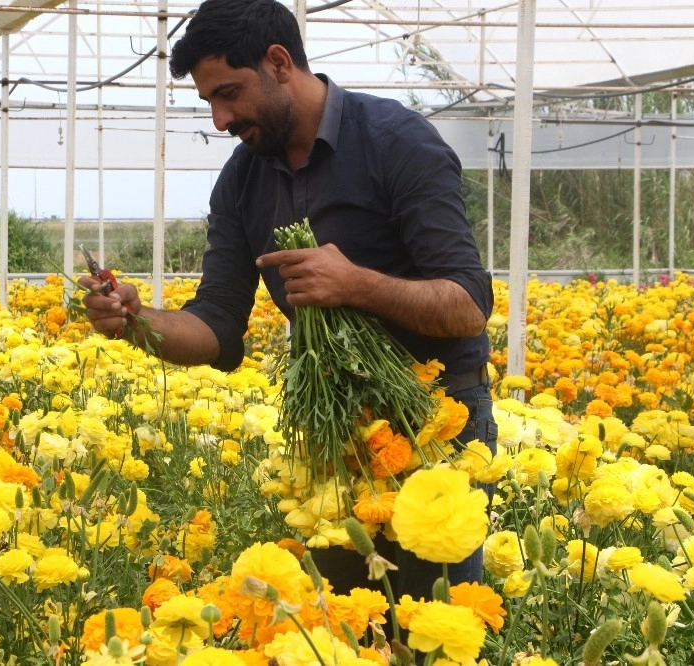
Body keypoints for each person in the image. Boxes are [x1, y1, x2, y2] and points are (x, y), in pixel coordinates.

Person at [80, 0, 497, 606]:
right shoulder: (243, 179)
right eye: (209, 103)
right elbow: (217, 329)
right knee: (347, 624)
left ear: (278, 63)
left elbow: (468, 305)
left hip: (434, 419)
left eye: (229, 93)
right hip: (333, 426)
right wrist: (136, 321)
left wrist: (356, 284)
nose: (221, 120)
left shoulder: (398, 142)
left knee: (435, 623)